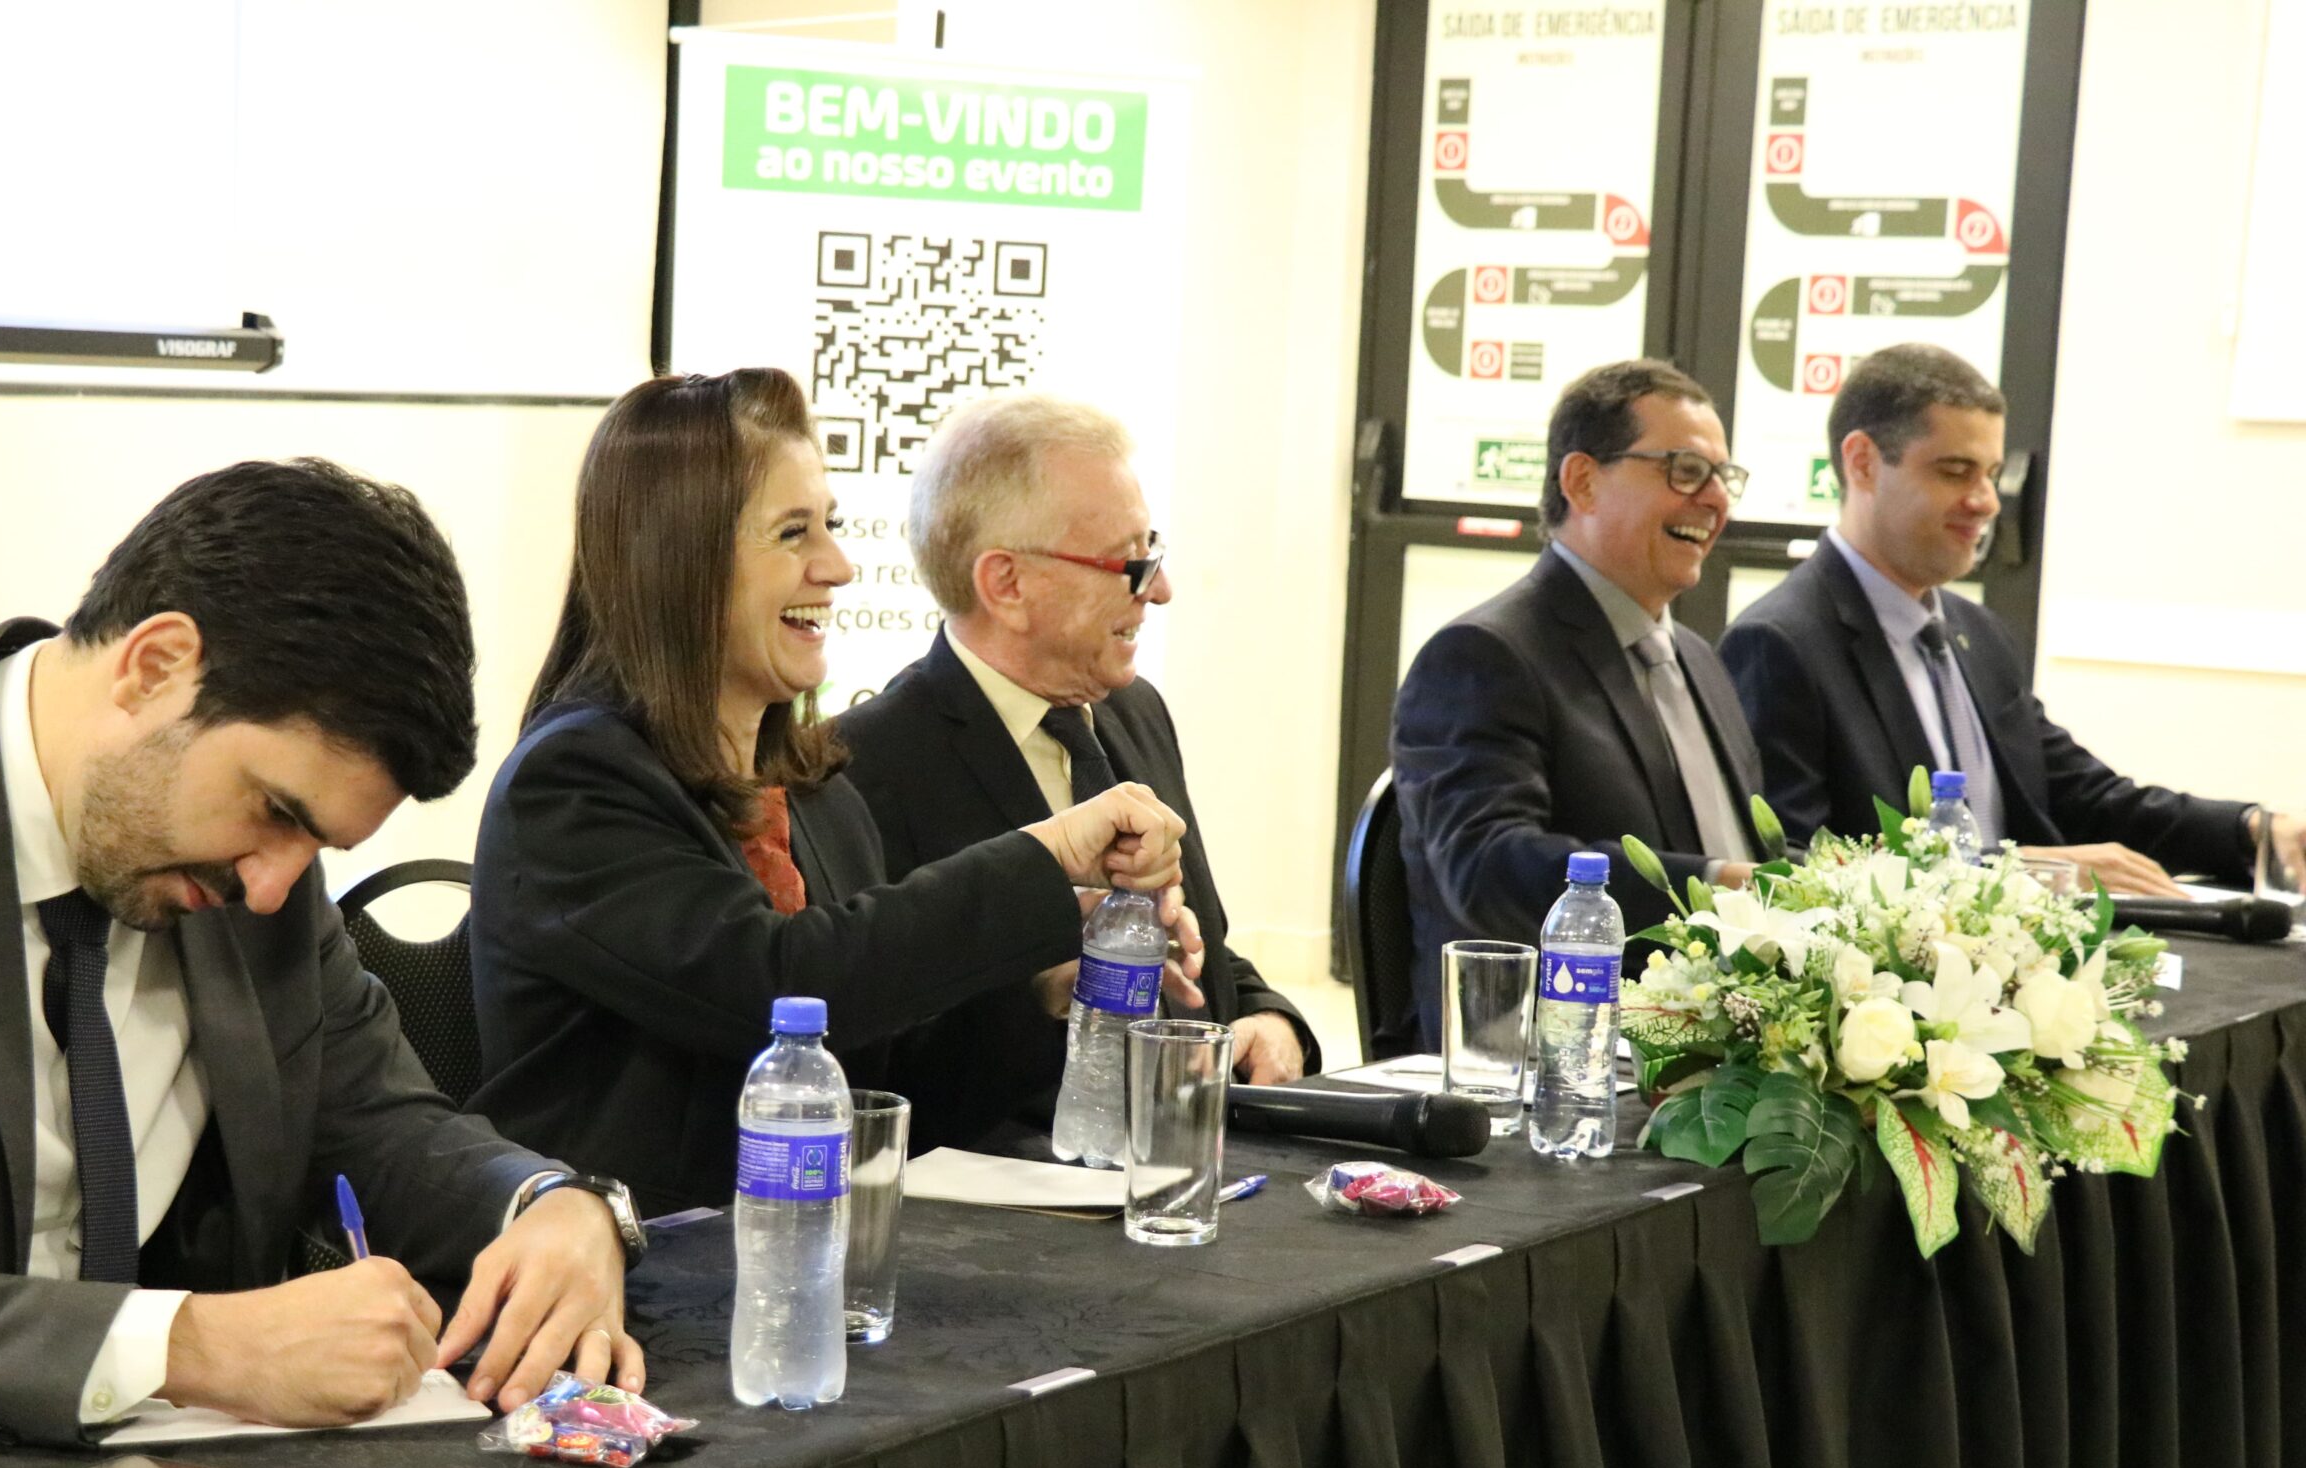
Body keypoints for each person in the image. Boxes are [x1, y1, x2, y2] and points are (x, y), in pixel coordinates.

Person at [0, 459, 642, 1446]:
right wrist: (179, 1345)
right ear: (154, 667)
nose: (270, 887)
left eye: (315, 850)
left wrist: (553, 1205)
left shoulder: (253, 877)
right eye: (273, 812)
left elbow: (382, 1130)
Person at [467, 370, 1198, 1213]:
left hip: (802, 1263)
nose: (839, 566)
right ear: (681, 560)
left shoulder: (817, 792)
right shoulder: (573, 787)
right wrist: (1047, 855)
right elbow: (780, 989)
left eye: (834, 526)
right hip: (633, 1286)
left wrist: (1040, 979)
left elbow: (882, 1062)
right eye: (792, 534)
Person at [834, 392, 1317, 1150]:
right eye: (1131, 563)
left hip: (1192, 1179)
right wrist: (1045, 992)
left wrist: (1269, 1020)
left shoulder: (1133, 711)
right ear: (1007, 585)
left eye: (1152, 551)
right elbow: (878, 1074)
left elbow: (1195, 952)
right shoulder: (865, 770)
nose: (1160, 589)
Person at [1719, 343, 2304, 895]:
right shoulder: (1779, 643)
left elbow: (2084, 797)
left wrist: (2253, 831)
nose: (1987, 501)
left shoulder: (1979, 634)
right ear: (1863, 463)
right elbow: (1795, 868)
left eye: (1991, 474)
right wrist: (2024, 871)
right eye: (1955, 471)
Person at [1392, 359, 1768, 1044]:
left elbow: (1745, 852)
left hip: (1728, 1044)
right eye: (1685, 470)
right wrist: (1716, 889)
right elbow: (1486, 865)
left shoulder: (1701, 660)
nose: (1716, 500)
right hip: (1556, 1058)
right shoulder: (1484, 655)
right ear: (1583, 480)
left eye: (1724, 476)